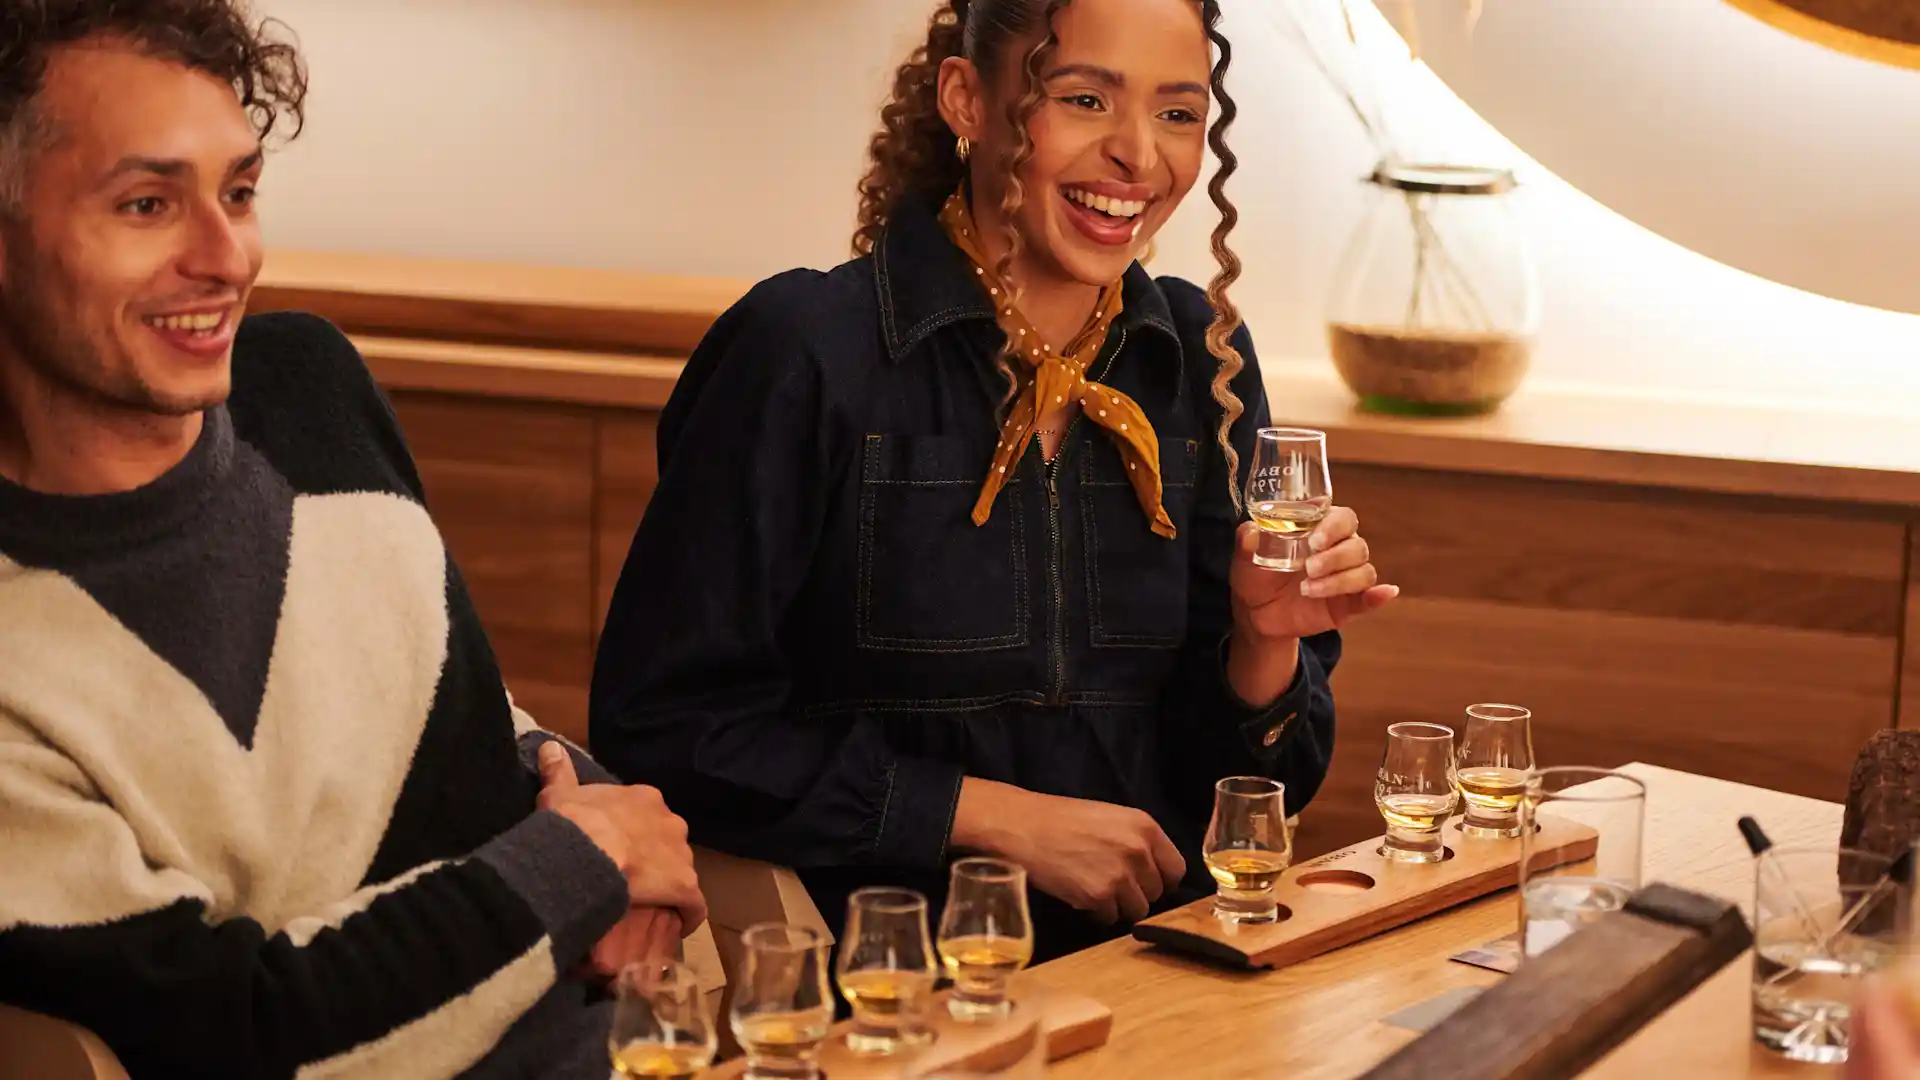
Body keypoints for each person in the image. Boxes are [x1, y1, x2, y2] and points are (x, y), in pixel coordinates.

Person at [592, 0, 1395, 962]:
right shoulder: (804, 352)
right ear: (968, 99)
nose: (1139, 155)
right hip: (885, 985)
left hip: (1163, 971)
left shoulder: (1198, 360)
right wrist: (988, 818)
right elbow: (668, 730)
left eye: (1179, 113)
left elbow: (1261, 784)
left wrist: (1264, 643)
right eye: (1086, 98)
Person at [0, 4, 704, 1078]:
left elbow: (452, 719)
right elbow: (236, 1034)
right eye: (147, 203)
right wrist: (584, 860)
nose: (225, 256)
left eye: (238, 192)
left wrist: (589, 805)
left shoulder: (304, 388)